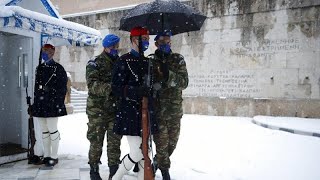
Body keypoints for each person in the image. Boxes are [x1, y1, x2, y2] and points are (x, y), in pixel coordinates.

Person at [110, 27, 158, 180]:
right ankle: (117, 176)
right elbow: (116, 88)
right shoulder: (123, 61)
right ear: (134, 40)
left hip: (147, 111)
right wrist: (134, 91)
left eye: (147, 39)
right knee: (137, 152)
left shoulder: (149, 62)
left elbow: (153, 86)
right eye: (144, 39)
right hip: (130, 112)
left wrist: (155, 89)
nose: (146, 42)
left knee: (146, 151)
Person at [150, 31, 189, 180]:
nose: (166, 43)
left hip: (174, 111)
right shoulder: (151, 61)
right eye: (162, 41)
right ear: (156, 44)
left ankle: (158, 161)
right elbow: (147, 83)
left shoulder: (178, 59)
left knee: (171, 144)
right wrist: (154, 85)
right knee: (161, 143)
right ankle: (165, 172)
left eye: (168, 41)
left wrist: (168, 75)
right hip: (158, 112)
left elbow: (184, 83)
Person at [85, 34, 122, 180]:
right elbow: (92, 85)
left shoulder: (120, 63)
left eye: (117, 46)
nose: (115, 49)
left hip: (114, 110)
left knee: (114, 142)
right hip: (97, 111)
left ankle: (114, 171)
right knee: (96, 141)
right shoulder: (94, 63)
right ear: (105, 47)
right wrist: (112, 88)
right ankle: (94, 170)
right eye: (113, 47)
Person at [31, 43, 68, 167]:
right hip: (41, 103)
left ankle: (54, 156)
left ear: (52, 53)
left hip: (52, 103)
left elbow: (63, 89)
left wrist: (55, 100)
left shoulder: (59, 68)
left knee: (52, 130)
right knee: (44, 131)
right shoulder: (39, 68)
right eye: (43, 51)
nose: (44, 54)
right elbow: (37, 88)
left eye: (46, 51)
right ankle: (46, 155)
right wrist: (34, 104)